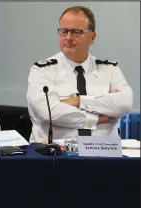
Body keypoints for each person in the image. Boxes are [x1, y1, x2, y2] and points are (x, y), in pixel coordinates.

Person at [26, 6, 133, 143]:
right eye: (64, 31)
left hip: (103, 154)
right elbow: (49, 112)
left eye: (76, 32)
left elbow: (125, 102)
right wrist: (96, 119)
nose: (68, 38)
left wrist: (79, 101)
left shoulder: (109, 69)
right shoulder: (42, 70)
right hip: (55, 156)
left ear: (92, 37)